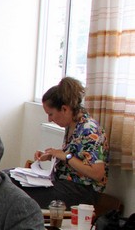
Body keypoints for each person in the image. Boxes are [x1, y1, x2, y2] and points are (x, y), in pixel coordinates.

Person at [16, 77, 109, 208]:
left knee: (20, 194)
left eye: (51, 114)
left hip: (82, 191)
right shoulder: (72, 125)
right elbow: (76, 156)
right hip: (64, 184)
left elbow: (97, 174)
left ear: (65, 109)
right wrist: (51, 155)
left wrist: (66, 156)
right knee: (7, 178)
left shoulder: (89, 129)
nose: (49, 119)